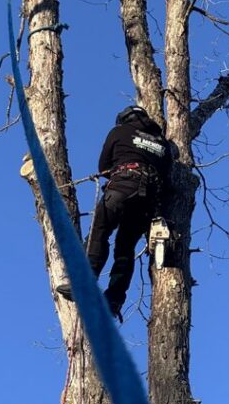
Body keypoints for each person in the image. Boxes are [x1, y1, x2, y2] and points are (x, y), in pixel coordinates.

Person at [58, 106, 171, 319]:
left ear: (124, 119)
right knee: (125, 249)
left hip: (122, 186)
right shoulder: (162, 143)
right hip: (148, 200)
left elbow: (104, 166)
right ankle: (115, 299)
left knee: (99, 232)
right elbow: (168, 177)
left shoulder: (119, 132)